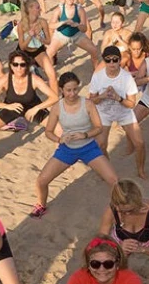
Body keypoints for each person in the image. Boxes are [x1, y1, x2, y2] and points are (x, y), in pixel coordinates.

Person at [34, 72, 118, 218]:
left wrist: (85, 135)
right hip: (67, 150)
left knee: (114, 180)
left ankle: (117, 207)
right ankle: (41, 205)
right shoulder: (57, 107)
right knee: (41, 180)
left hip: (89, 148)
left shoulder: (88, 104)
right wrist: (59, 139)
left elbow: (99, 127)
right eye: (68, 90)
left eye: (75, 89)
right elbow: (48, 131)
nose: (72, 93)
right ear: (61, 90)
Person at [0, 50, 57, 171]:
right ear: (11, 66)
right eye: (15, 64)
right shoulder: (5, 79)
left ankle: (62, 160)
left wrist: (37, 108)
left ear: (27, 66)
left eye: (22, 64)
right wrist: (6, 106)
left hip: (32, 107)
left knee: (60, 132)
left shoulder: (34, 79)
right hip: (12, 107)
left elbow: (54, 97)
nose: (19, 68)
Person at [89, 45, 146, 179]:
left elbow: (131, 104)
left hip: (124, 112)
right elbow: (92, 100)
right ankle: (108, 169)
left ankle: (140, 170)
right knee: (101, 144)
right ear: (104, 61)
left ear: (120, 60)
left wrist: (118, 98)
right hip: (104, 113)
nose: (112, 63)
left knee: (140, 143)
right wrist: (102, 96)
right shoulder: (98, 77)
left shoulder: (126, 78)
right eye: (108, 60)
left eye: (115, 60)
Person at [46, 0, 99, 64]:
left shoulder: (80, 9)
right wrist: (63, 22)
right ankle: (51, 71)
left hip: (77, 35)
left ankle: (96, 72)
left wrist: (77, 25)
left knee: (94, 50)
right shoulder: (59, 9)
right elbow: (51, 25)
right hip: (61, 35)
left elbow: (84, 29)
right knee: (48, 54)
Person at [17, 0, 57, 93]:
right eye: (38, 7)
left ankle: (55, 99)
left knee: (52, 74)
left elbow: (48, 41)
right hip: (24, 52)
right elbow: (22, 47)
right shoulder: (21, 25)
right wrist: (30, 36)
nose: (40, 9)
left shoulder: (43, 22)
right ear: (30, 9)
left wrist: (40, 38)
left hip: (38, 50)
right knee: (21, 80)